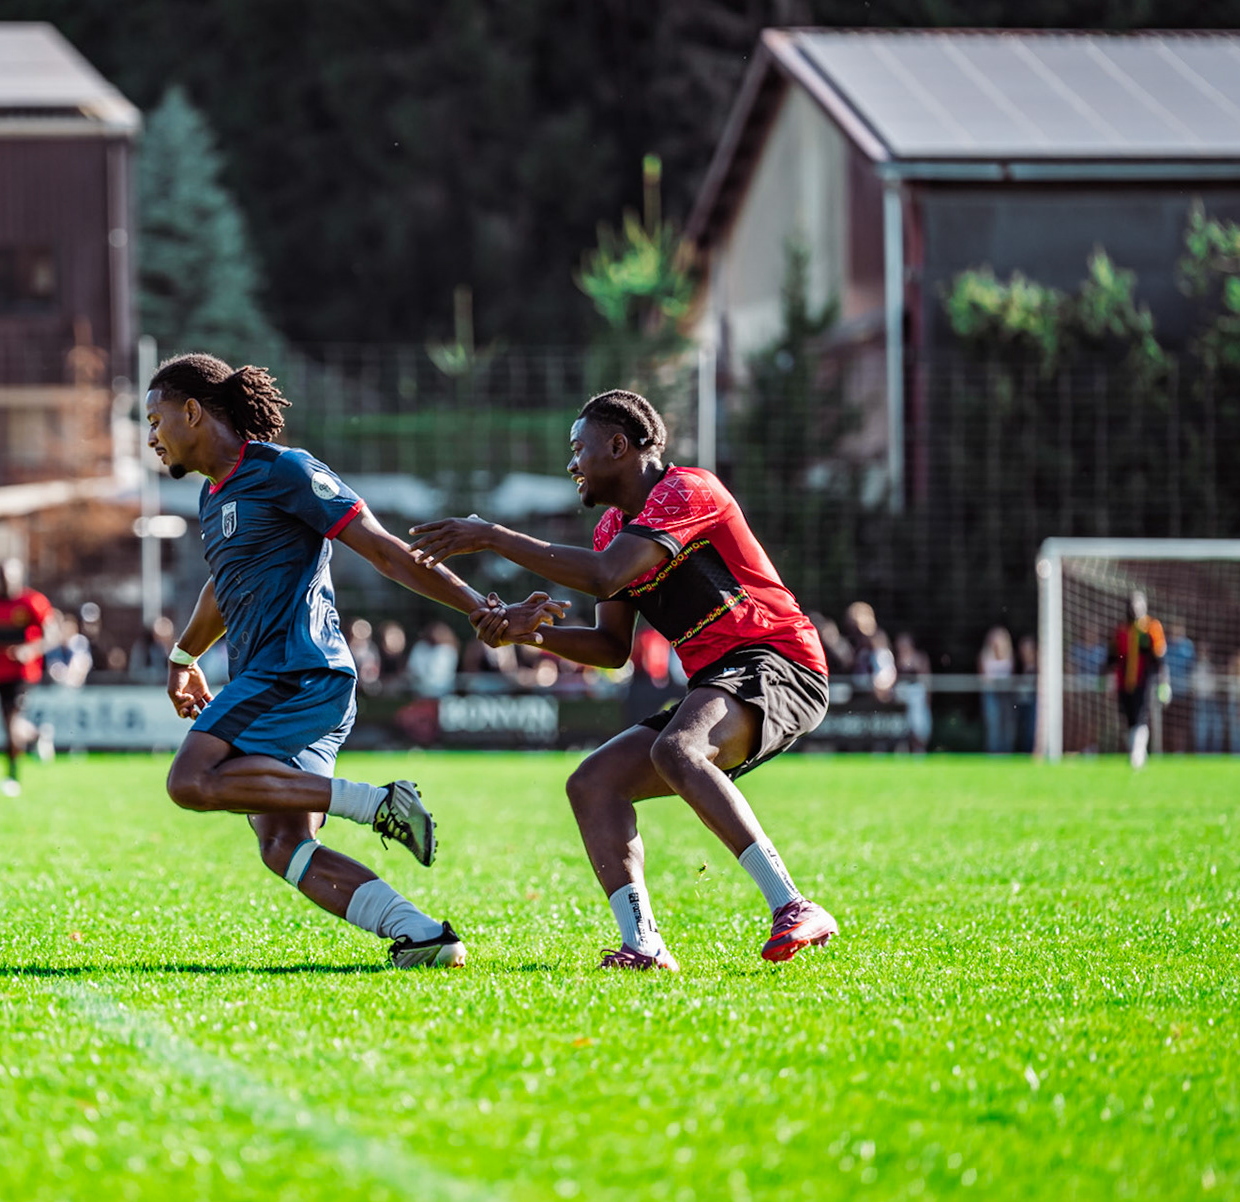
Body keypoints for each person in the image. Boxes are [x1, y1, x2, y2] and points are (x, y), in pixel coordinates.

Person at [145, 352, 560, 969]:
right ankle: (423, 935)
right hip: (284, 680)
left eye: (154, 420)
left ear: (192, 411)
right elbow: (222, 587)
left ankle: (377, 804)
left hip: (296, 673)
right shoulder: (213, 496)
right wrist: (184, 655)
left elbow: (385, 551)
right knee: (283, 843)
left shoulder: (285, 470)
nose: (151, 437)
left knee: (191, 780)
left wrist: (481, 608)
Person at [410, 388, 837, 972]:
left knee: (678, 749)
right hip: (723, 677)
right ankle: (645, 945)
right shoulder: (612, 526)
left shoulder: (687, 489)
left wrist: (492, 535)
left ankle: (793, 906)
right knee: (593, 784)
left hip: (780, 661)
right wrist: (524, 632)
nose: (571, 464)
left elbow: (607, 575)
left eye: (578, 448)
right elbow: (612, 648)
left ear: (618, 445)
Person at [0, 560, 59, 796]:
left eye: (9, 576)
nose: (5, 581)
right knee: (9, 726)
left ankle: (12, 775)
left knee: (12, 722)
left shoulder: (33, 602)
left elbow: (52, 635)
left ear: (19, 576)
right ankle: (36, 735)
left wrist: (31, 650)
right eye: (1, 576)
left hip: (24, 673)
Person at [1106, 593, 1166, 768]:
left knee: (1141, 717)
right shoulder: (1121, 631)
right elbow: (1111, 658)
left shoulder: (1151, 628)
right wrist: (1107, 680)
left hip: (1145, 682)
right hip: (1124, 683)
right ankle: (1136, 751)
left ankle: (1137, 754)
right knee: (1128, 718)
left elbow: (1160, 657)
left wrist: (1164, 681)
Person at [978, 626, 1015, 755]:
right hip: (991, 694)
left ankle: (1006, 751)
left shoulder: (1009, 655)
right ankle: (993, 751)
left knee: (1007, 723)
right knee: (993, 724)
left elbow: (1011, 675)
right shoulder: (985, 656)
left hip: (1006, 695)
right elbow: (983, 678)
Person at [893, 631, 932, 754]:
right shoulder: (896, 658)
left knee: (918, 724)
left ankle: (919, 748)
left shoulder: (919, 658)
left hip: (917, 697)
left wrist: (927, 698)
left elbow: (925, 680)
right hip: (901, 699)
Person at [405, 621, 460, 698]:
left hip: (443, 692)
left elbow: (440, 674)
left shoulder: (447, 650)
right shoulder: (420, 646)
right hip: (419, 691)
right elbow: (413, 668)